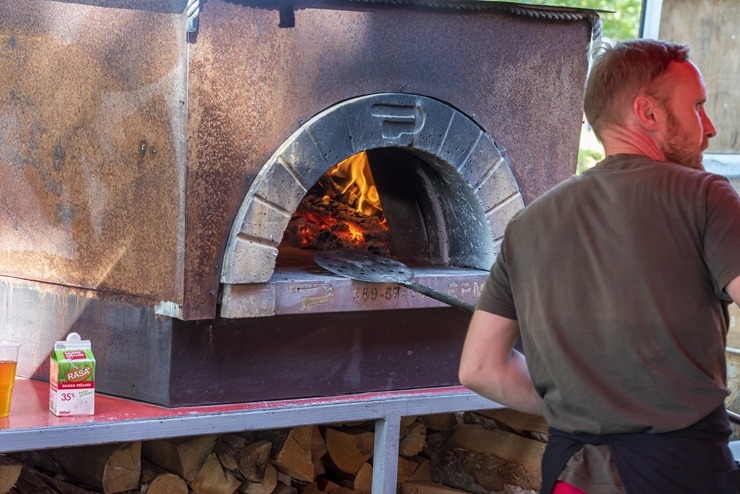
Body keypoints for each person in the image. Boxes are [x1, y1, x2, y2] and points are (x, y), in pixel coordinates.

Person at [458, 38, 740, 494]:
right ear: (648, 113)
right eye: (698, 107)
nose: (708, 127)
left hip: (572, 473)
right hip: (678, 473)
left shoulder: (527, 224)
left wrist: (581, 410)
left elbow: (480, 368)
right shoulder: (705, 195)